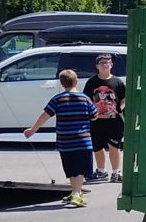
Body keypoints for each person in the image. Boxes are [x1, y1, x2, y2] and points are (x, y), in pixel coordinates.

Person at [23, 69, 96, 208]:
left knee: (70, 167)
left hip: (65, 141)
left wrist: (33, 130)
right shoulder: (85, 98)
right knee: (80, 169)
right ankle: (76, 193)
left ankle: (75, 192)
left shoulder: (58, 99)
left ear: (62, 84)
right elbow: (94, 116)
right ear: (76, 81)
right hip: (83, 140)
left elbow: (45, 115)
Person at [83, 52, 126, 183]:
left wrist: (116, 110)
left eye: (108, 62)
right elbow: (87, 99)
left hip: (114, 121)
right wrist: (93, 113)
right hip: (96, 121)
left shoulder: (117, 82)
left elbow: (123, 99)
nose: (105, 65)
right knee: (97, 147)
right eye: (102, 63)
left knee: (114, 146)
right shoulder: (91, 82)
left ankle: (116, 172)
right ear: (97, 66)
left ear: (112, 65)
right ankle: (101, 171)